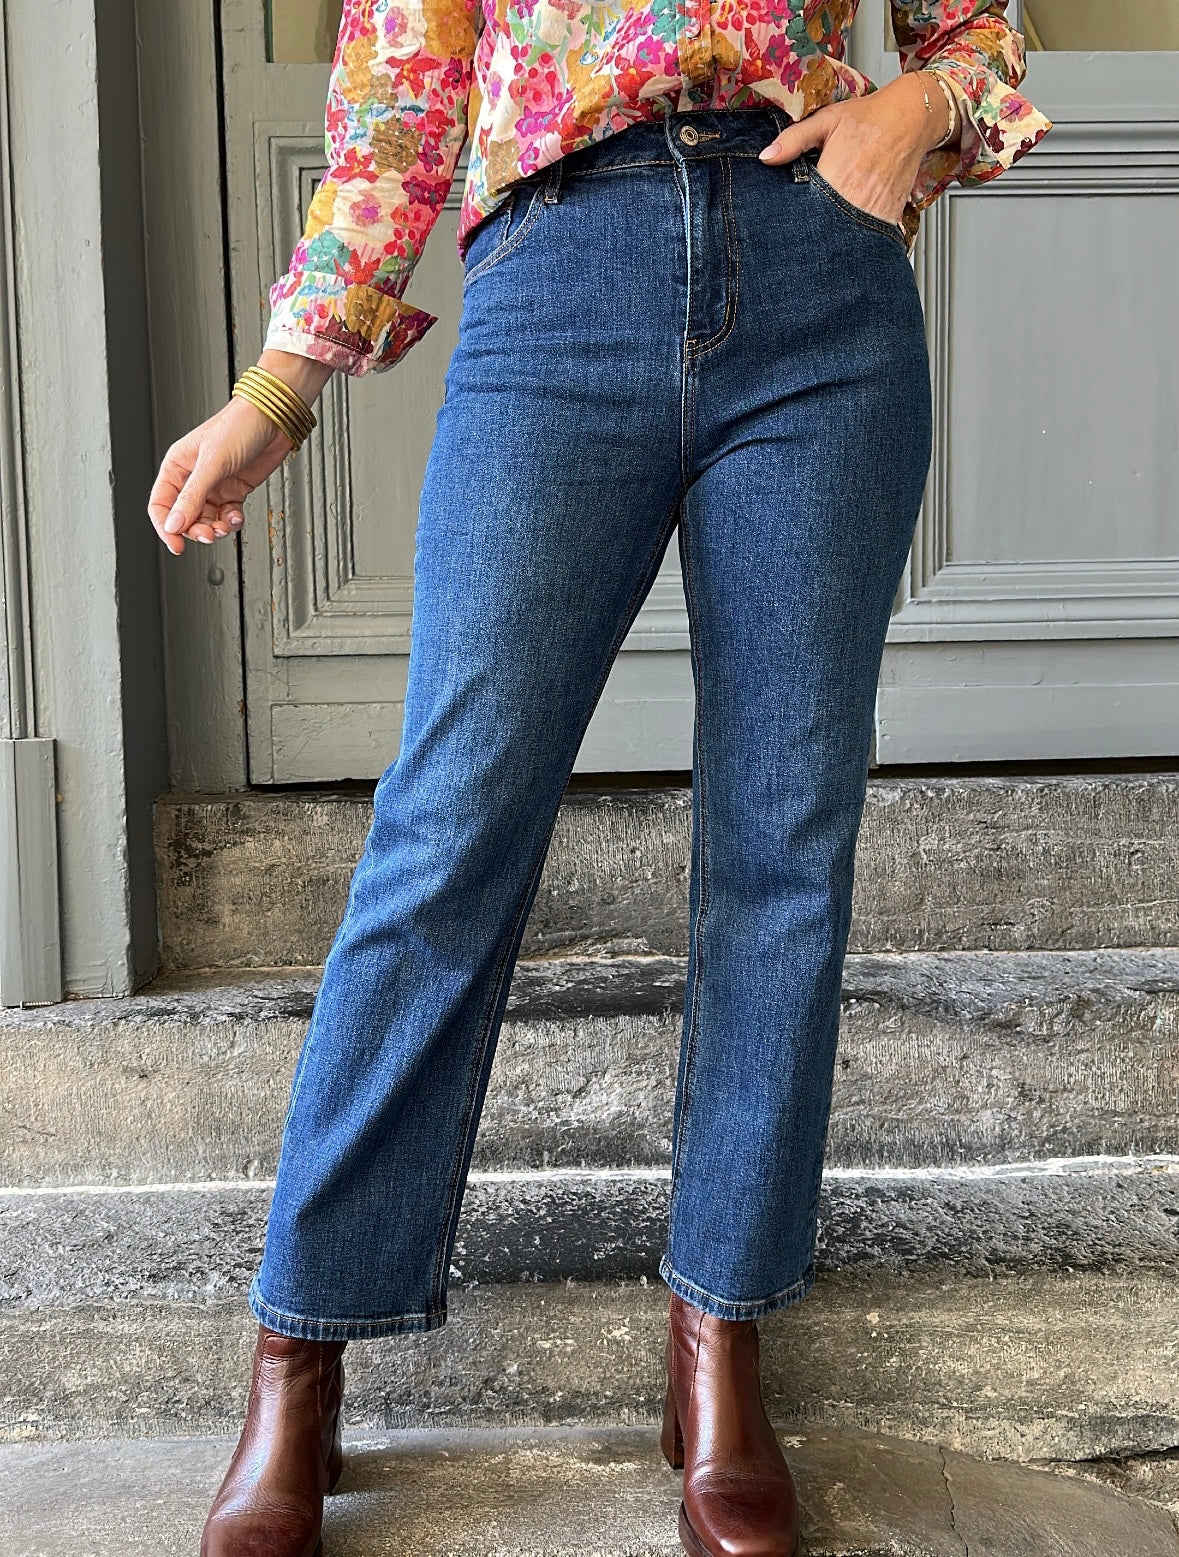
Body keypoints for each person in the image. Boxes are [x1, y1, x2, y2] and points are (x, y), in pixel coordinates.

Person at [148, 3, 1051, 1554]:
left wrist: (921, 109)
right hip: (558, 275)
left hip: (821, 284)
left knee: (784, 838)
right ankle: (301, 1347)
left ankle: (720, 1343)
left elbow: (978, 30)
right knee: (448, 826)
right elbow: (397, 102)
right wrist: (279, 390)